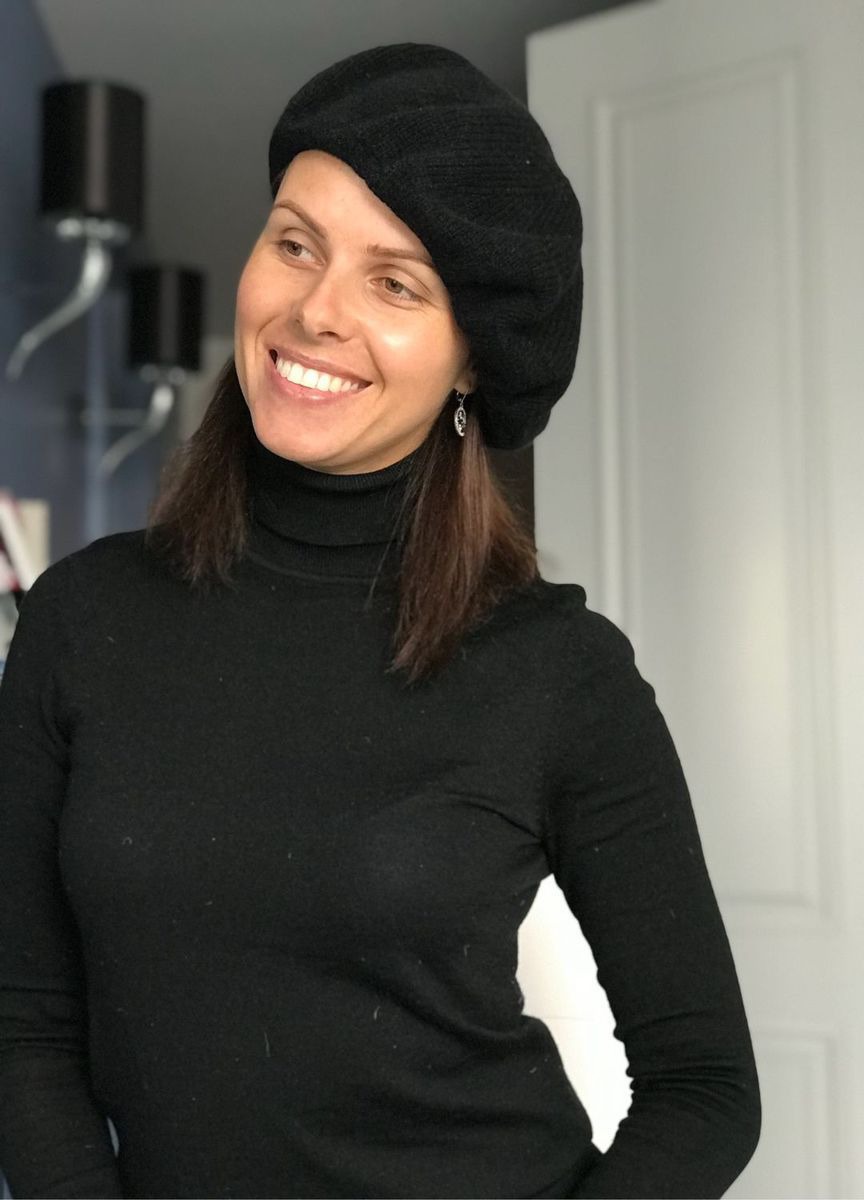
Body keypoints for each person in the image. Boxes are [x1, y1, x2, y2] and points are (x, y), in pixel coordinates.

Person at [0, 42, 760, 1200]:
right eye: (295, 243)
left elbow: (705, 1088)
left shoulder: (558, 672)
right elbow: (24, 1026)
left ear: (472, 362)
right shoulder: (81, 622)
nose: (316, 311)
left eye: (396, 284)